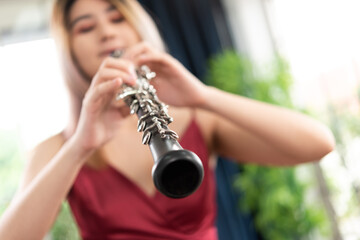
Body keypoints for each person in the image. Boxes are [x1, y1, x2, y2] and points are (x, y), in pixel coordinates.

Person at [0, 0, 335, 239]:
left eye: (117, 18)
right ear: (69, 51)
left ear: (139, 28)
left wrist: (204, 96)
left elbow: (318, 143)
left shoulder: (199, 120)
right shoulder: (59, 148)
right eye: (85, 27)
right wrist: (79, 147)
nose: (105, 33)